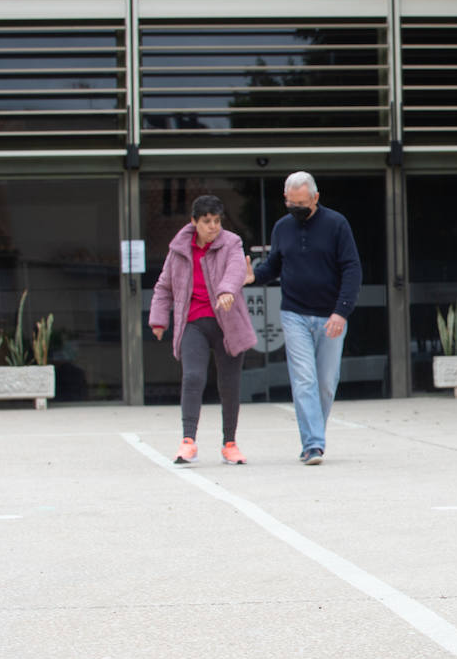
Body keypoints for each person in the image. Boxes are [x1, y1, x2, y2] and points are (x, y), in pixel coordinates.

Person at [253, 171, 362, 465]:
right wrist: (250, 276)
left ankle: (315, 436)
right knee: (304, 380)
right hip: (294, 314)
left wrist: (341, 311)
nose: (297, 208)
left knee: (326, 382)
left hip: (330, 315)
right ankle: (313, 444)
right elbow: (273, 266)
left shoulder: (337, 224)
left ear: (315, 197)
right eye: (292, 203)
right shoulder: (282, 228)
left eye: (302, 203)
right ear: (285, 200)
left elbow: (352, 269)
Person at [149, 194, 257, 465]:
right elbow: (164, 287)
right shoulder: (178, 250)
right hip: (193, 323)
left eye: (217, 221)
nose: (213, 227)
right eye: (207, 221)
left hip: (227, 323)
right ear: (194, 222)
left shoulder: (231, 243)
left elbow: (235, 270)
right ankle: (188, 442)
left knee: (229, 385)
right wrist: (159, 320)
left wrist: (226, 291)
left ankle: (230, 444)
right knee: (193, 377)